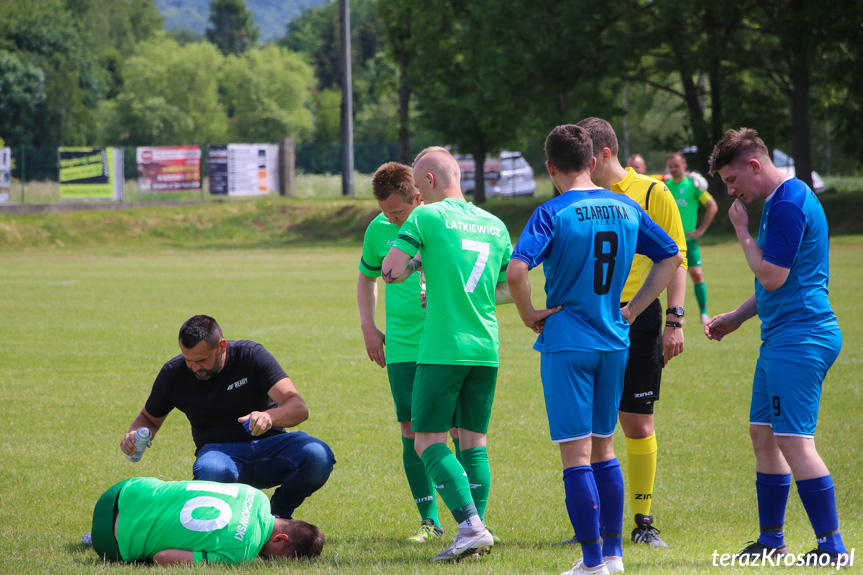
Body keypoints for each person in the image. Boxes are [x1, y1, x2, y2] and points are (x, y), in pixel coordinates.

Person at [508, 125, 681, 575]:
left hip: (567, 343)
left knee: (576, 455)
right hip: (614, 342)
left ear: (550, 168)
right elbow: (669, 257)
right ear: (591, 161)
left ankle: (590, 562)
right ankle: (614, 555)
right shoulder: (626, 205)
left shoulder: (551, 212)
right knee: (605, 450)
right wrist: (633, 310)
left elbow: (516, 270)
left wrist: (529, 314)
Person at [705, 128, 849, 566]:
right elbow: (777, 283)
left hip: (801, 337)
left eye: (732, 181)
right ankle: (772, 541)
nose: (731, 191)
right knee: (764, 435)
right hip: (782, 337)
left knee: (793, 441)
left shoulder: (786, 202)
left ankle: (832, 547)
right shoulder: (782, 200)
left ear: (754, 165)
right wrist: (736, 317)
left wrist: (742, 233)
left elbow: (771, 276)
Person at [381, 146, 512, 562]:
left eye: (418, 187)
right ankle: (477, 529)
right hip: (486, 347)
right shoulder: (495, 224)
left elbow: (390, 270)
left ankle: (470, 526)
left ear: (430, 181)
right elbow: (510, 287)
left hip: (443, 347)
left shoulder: (427, 216)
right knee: (473, 442)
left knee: (427, 441)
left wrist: (417, 264)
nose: (417, 195)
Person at [575, 118, 687, 547]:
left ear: (603, 154)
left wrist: (674, 322)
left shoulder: (652, 192)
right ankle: (593, 523)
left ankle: (643, 521)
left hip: (638, 319)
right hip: (589, 318)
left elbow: (673, 258)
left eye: (587, 161)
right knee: (587, 426)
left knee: (637, 422)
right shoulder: (580, 196)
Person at [120, 315, 335, 520]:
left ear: (222, 346)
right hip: (220, 454)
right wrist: (134, 434)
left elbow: (298, 407)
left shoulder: (250, 355)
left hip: (271, 446)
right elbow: (148, 418)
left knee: (318, 455)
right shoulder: (173, 373)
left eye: (202, 360)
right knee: (212, 470)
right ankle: (229, 526)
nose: (195, 368)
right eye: (188, 360)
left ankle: (278, 514)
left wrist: (269, 416)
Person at [357, 161, 446, 543]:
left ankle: (472, 521)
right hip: (403, 347)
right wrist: (369, 326)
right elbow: (367, 277)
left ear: (418, 197)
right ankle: (430, 520)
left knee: (456, 431)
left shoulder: (440, 222)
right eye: (384, 213)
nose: (391, 221)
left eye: (397, 212)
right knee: (410, 429)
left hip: (444, 342)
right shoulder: (379, 229)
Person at [87, 477, 324, 565]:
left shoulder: (257, 495)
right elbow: (162, 558)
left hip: (122, 489)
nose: (269, 561)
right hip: (110, 539)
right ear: (281, 539)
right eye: (277, 558)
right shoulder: (240, 554)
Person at [666, 151, 718, 324]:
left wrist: (700, 230)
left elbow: (712, 206)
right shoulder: (664, 186)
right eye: (671, 166)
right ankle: (675, 313)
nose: (673, 169)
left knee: (696, 274)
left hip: (690, 241)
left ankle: (703, 312)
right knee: (669, 278)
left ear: (684, 166)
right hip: (671, 242)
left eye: (677, 166)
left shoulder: (693, 185)